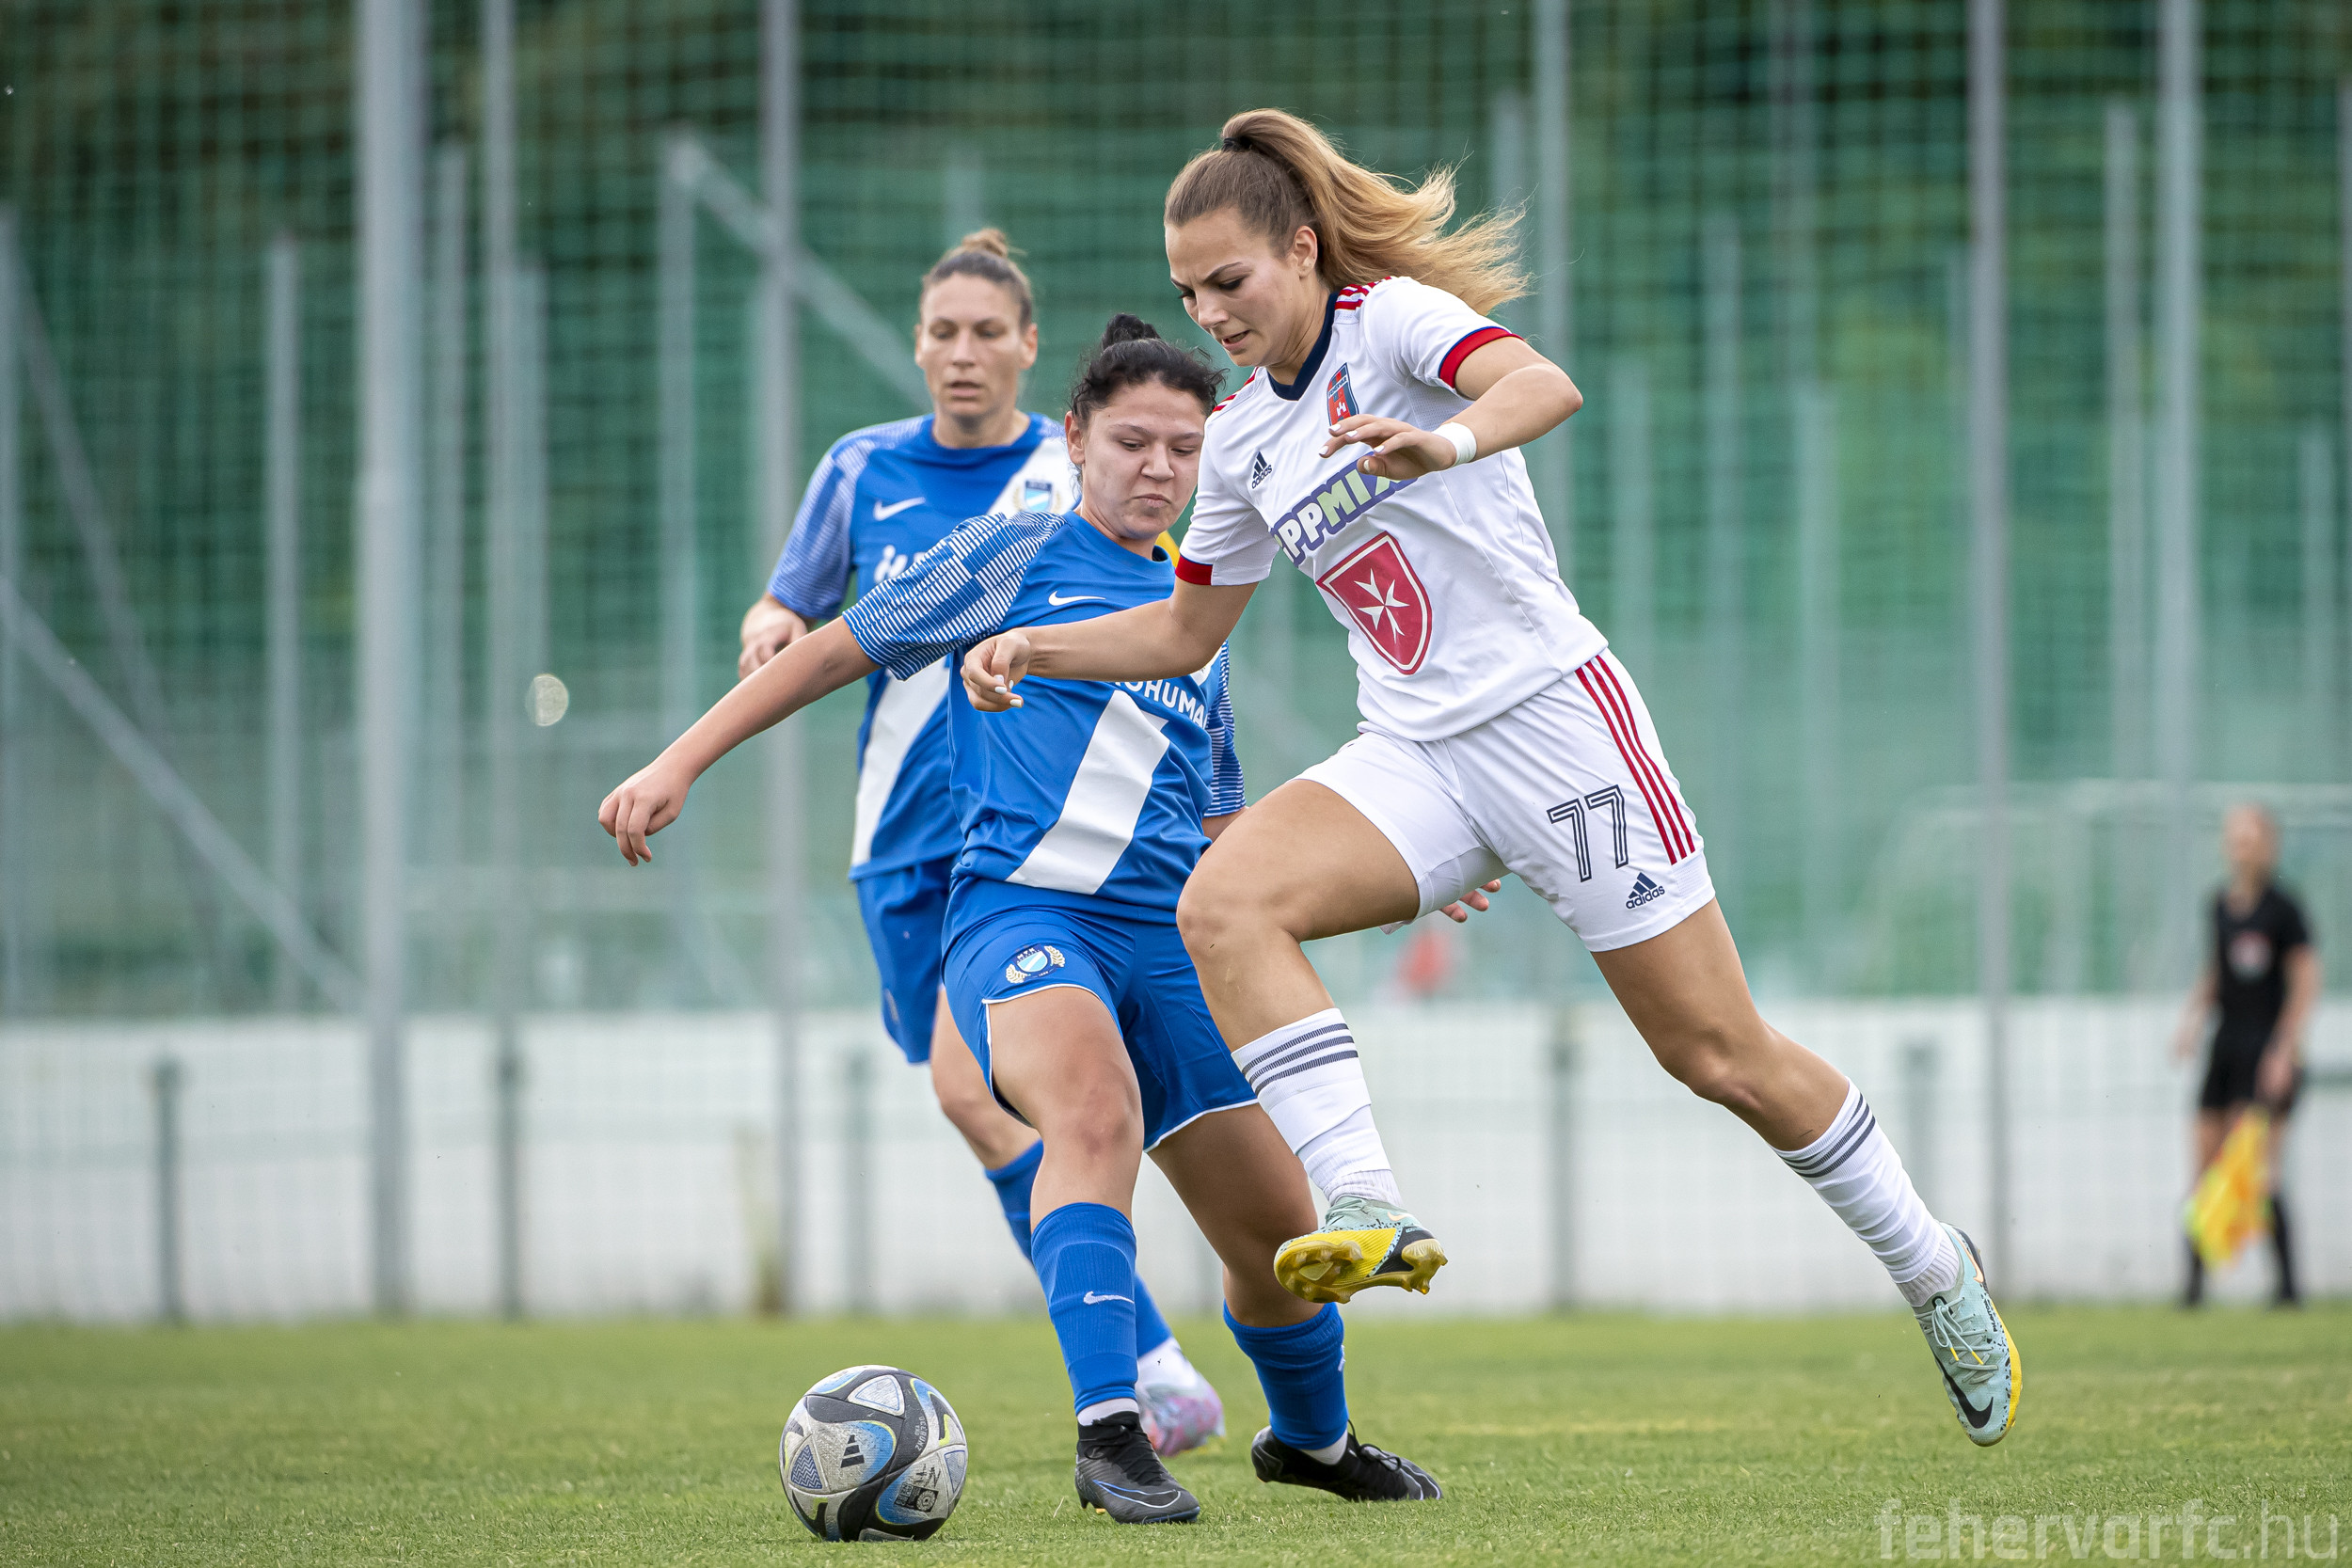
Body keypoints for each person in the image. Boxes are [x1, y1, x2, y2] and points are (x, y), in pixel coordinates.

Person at [961, 108, 2020, 1447]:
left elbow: (1541, 385)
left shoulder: (1391, 323)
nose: (1210, 312)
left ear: (1301, 252)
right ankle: (1367, 1201)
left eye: (1228, 279)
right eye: (1187, 294)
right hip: (1415, 754)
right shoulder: (1235, 440)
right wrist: (1033, 645)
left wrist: (1445, 441)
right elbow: (1183, 630)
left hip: (1557, 729)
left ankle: (1934, 1266)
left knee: (1717, 1052)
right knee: (1224, 901)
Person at [602, 317, 1440, 1523]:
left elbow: (1222, 827)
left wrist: (1405, 848)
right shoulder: (1009, 554)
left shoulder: (1197, 609)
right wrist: (678, 760)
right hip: (1022, 914)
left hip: (1172, 944)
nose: (1159, 467)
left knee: (1276, 1239)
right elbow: (834, 651)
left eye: (1185, 448)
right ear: (1075, 439)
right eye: (1133, 441)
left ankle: (1312, 1441)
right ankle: (1112, 1433)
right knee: (1093, 1111)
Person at [736, 230, 1218, 1451]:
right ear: (917, 343)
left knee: (995, 1087)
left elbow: (1168, 630)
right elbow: (803, 607)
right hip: (901, 837)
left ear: (1028, 352)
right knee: (974, 1097)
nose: (962, 352)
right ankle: (1141, 1348)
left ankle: (1145, 1366)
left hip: (1020, 846)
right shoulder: (861, 467)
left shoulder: (1077, 482)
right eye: (942, 330)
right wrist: (770, 617)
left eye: (986, 332)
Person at [2170, 803, 2319, 1307]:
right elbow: (2216, 971)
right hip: (2226, 1046)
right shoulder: (2218, 904)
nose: (2242, 849)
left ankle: (2288, 1287)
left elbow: (2305, 983)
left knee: (2254, 1167)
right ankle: (2193, 1288)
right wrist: (2191, 1022)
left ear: (2269, 846)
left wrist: (2284, 1049)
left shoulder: (2285, 910)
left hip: (2265, 1048)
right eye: (2235, 839)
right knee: (2204, 1163)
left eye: (2251, 839)